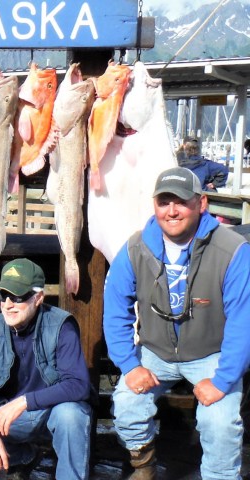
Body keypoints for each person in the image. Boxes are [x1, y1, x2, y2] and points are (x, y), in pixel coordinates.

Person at [103, 166, 250, 479]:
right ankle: (144, 467)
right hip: (156, 352)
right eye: (163, 202)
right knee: (127, 407)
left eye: (181, 202)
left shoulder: (233, 251)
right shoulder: (134, 248)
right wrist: (130, 366)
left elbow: (243, 322)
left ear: (202, 203)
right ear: (154, 205)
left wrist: (222, 381)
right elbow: (116, 308)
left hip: (213, 354)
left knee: (220, 424)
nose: (171, 211)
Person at [0, 258, 93, 480]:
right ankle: (24, 458)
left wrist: (24, 401)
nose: (8, 304)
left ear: (38, 298)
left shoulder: (62, 326)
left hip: (51, 412)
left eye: (18, 297)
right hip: (8, 418)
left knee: (71, 415)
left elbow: (79, 385)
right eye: (3, 296)